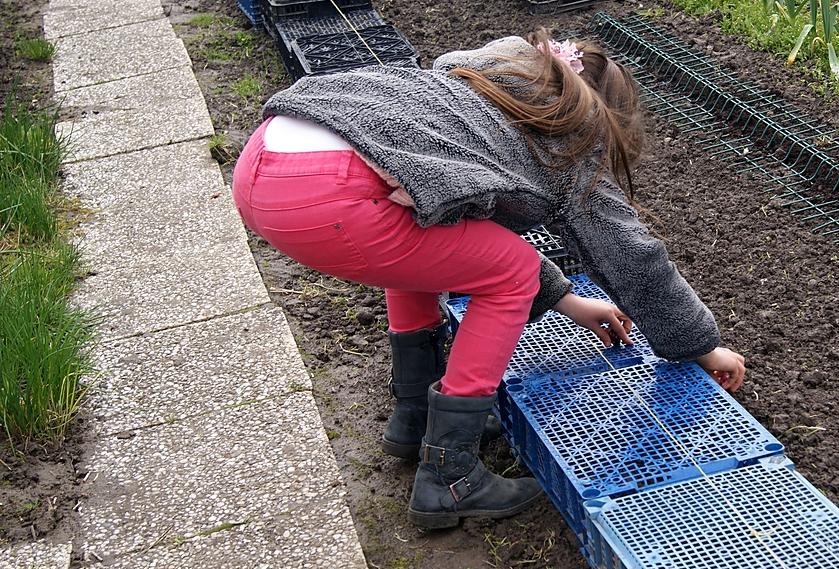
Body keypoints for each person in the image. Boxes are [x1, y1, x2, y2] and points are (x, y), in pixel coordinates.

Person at [231, 29, 746, 531]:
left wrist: (566, 298)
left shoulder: (476, 85)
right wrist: (701, 346)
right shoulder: (570, 137)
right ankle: (450, 475)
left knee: (425, 233)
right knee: (511, 276)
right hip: (330, 196)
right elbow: (632, 257)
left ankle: (414, 417)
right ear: (596, 111)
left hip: (264, 165)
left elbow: (464, 232)